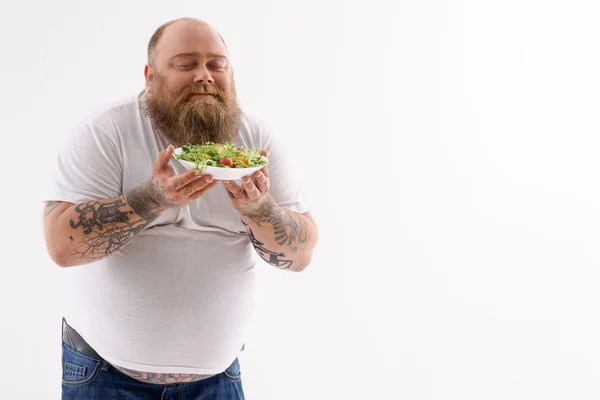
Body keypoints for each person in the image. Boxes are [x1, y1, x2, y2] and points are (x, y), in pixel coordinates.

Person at [42, 17, 318, 400]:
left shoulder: (256, 143)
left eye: (216, 65)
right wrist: (152, 199)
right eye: (186, 64)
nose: (204, 76)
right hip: (105, 376)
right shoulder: (105, 131)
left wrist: (259, 209)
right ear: (150, 76)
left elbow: (301, 254)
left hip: (218, 380)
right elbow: (61, 245)